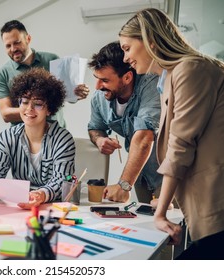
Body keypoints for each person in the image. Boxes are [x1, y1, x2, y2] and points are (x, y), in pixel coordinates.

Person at [119, 8, 224, 259]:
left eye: (127, 48)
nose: (125, 58)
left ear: (150, 42)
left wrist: (161, 212)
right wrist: (168, 201)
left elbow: (181, 145)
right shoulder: (169, 77)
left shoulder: (191, 69)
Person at [0, 68, 75, 210]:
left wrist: (40, 195)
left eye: (38, 103)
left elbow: (61, 181)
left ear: (49, 109)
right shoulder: (6, 137)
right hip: (18, 206)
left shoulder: (63, 139)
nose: (29, 109)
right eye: (24, 102)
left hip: (51, 208)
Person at [87, 41, 161, 203]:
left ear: (127, 77)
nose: (97, 86)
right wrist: (99, 139)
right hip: (140, 176)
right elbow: (94, 128)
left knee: (174, 223)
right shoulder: (99, 99)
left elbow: (144, 138)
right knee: (146, 223)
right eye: (96, 79)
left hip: (168, 175)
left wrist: (123, 185)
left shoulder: (152, 85)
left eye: (104, 80)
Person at [0, 19, 90, 127]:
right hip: (23, 137)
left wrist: (77, 93)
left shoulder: (52, 59)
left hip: (56, 133)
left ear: (28, 38)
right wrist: (40, 107)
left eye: (17, 43)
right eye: (8, 46)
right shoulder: (2, 74)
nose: (13, 49)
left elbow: (67, 95)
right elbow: (6, 114)